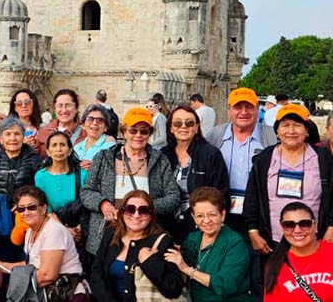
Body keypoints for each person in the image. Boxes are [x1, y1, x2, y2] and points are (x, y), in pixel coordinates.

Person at [1, 185, 90, 302]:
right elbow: (31, 265)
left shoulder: (54, 230)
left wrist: (19, 290)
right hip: (52, 290)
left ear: (43, 208)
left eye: (31, 207)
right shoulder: (31, 231)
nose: (26, 212)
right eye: (21, 209)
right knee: (15, 287)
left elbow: (48, 275)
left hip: (68, 293)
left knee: (18, 294)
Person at [80, 107, 179, 260]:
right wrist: (103, 204)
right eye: (133, 131)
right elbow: (86, 191)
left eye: (144, 131)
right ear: (124, 132)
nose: (138, 135)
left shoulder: (160, 161)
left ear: (150, 134)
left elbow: (173, 197)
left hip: (146, 237)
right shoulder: (104, 157)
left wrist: (145, 209)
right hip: (107, 234)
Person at [243, 103, 333, 253]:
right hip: (273, 242)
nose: (291, 131)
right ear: (277, 131)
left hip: (315, 238)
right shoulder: (264, 159)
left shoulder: (323, 158)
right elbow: (252, 197)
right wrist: (253, 231)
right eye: (285, 125)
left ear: (307, 130)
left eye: (297, 125)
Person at [206, 87, 277, 236]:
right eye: (238, 107)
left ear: (257, 109)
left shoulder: (271, 136)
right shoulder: (214, 136)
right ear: (228, 110)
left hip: (258, 213)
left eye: (249, 107)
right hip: (222, 212)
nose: (244, 112)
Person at [161, 103, 230, 243]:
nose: (183, 127)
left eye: (189, 123)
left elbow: (220, 193)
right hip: (167, 225)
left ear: (197, 127)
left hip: (199, 226)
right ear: (171, 128)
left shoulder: (210, 154)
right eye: (177, 123)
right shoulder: (163, 155)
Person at [0, 117, 41, 260]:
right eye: (8, 134)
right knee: (0, 257)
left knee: (24, 257)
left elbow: (39, 191)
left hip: (24, 216)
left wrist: (23, 204)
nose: (12, 138)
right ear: (1, 139)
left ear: (23, 136)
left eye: (17, 134)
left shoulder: (33, 160)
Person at [35, 130, 85, 217]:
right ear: (48, 152)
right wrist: (61, 225)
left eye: (63, 145)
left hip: (79, 220)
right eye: (54, 145)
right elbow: (47, 209)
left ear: (70, 151)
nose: (58, 149)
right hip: (53, 221)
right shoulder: (40, 176)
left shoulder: (83, 174)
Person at [36, 88, 83, 157]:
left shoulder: (84, 132)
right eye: (60, 106)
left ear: (76, 108)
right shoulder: (44, 131)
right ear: (55, 109)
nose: (64, 110)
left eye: (68, 105)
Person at [74, 104, 116, 173]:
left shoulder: (110, 147)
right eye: (90, 119)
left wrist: (95, 167)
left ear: (106, 127)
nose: (95, 123)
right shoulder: (77, 148)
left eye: (100, 120)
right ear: (83, 125)